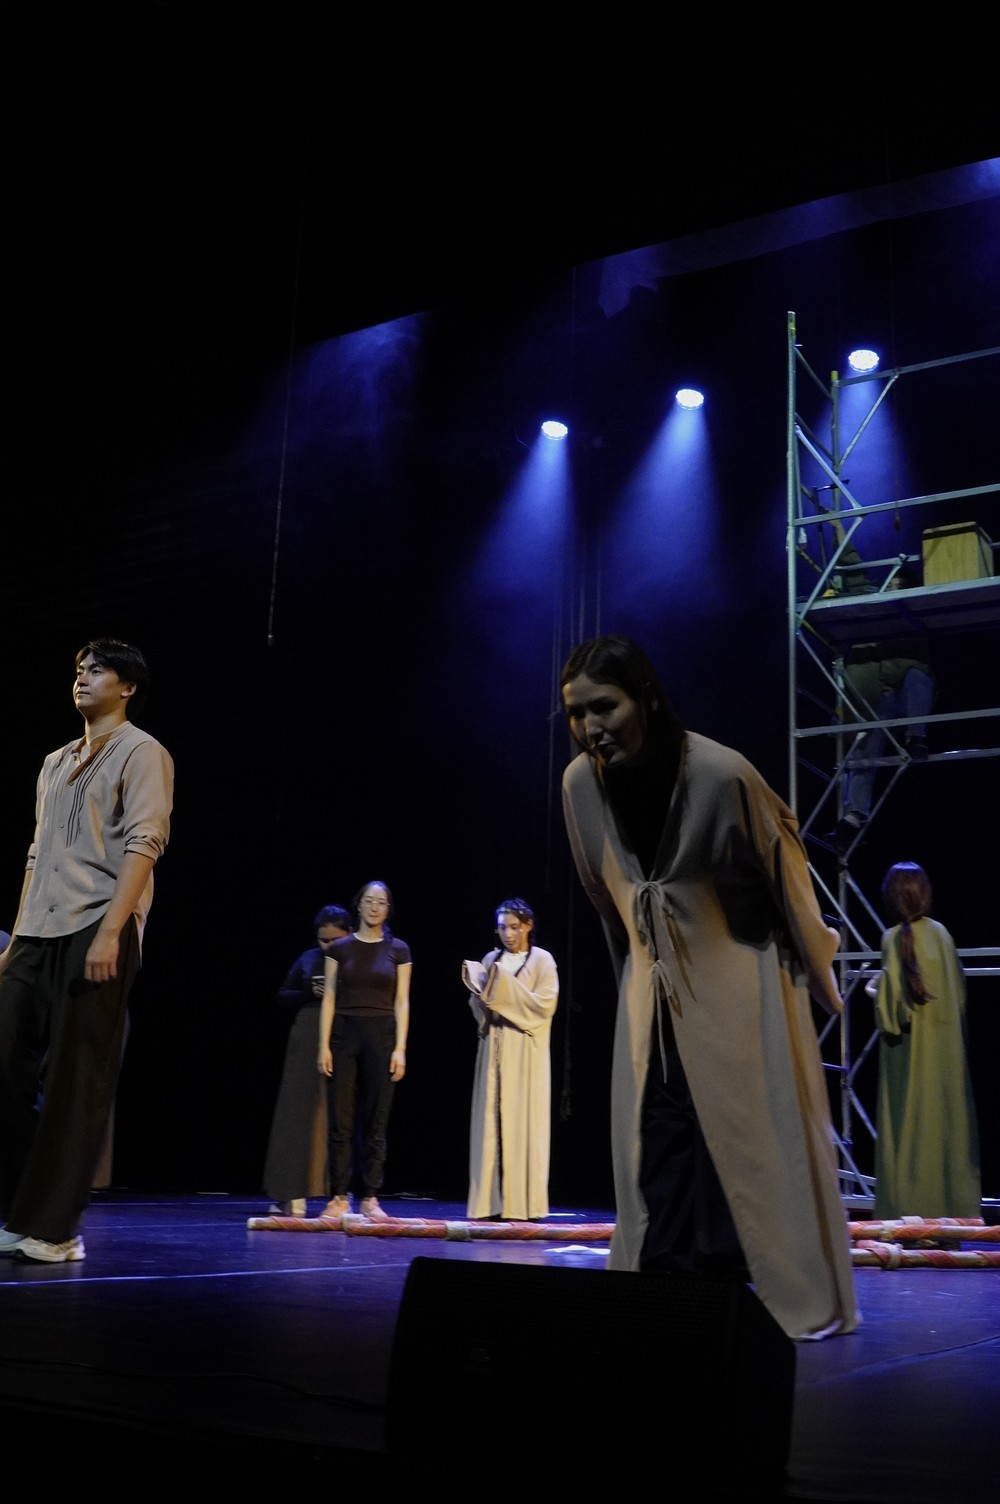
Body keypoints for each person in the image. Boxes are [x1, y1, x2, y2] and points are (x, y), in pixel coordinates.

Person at [560, 634, 859, 1342]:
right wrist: (634, 973)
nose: (591, 727)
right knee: (658, 1133)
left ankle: (737, 1286)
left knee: (739, 1135)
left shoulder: (721, 774)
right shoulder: (580, 785)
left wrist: (815, 967)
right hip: (655, 994)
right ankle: (665, 1286)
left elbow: (785, 871)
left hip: (736, 979)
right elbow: (603, 892)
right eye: (576, 713)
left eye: (604, 707)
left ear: (646, 698)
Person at [0, 638, 173, 1263]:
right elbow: (37, 853)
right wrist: (16, 939)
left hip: (98, 922)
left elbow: (146, 841)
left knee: (78, 1079)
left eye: (97, 670)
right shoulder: (55, 761)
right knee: (5, 1060)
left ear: (127, 686)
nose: (83, 678)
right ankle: (24, 1206)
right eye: (79, 669)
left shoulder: (143, 751)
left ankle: (55, 1228)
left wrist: (111, 931)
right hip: (37, 928)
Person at [869, 862, 981, 1221]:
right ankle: (952, 1215)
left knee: (908, 1129)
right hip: (945, 1052)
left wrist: (873, 990)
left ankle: (909, 1215)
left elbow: (892, 1015)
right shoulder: (943, 935)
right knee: (947, 1128)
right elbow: (958, 994)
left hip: (908, 1056)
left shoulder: (892, 938)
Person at [318, 880, 410, 1222]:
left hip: (381, 1035)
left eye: (381, 902)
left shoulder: (398, 949)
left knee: (376, 1120)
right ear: (359, 905)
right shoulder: (341, 948)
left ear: (388, 909)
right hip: (345, 1033)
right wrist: (323, 1045)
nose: (374, 907)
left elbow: (402, 1001)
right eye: (369, 901)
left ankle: (369, 1196)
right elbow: (329, 996)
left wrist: (400, 1048)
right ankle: (339, 1196)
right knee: (340, 1120)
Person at [462, 897, 559, 1221]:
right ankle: (487, 1204)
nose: (508, 934)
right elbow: (480, 1007)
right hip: (494, 1046)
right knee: (489, 1122)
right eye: (502, 928)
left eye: (514, 927)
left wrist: (502, 994)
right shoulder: (492, 959)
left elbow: (544, 1006)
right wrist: (481, 998)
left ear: (528, 926)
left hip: (525, 1050)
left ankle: (523, 1205)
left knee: (523, 1123)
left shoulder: (542, 961)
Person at [261, 903, 353, 1217]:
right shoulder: (309, 959)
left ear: (349, 934)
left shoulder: (356, 960)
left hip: (343, 1035)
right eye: (323, 940)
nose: (328, 946)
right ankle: (290, 1192)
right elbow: (282, 995)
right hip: (308, 1034)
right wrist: (309, 992)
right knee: (296, 1113)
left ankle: (339, 1193)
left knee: (339, 1114)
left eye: (335, 940)